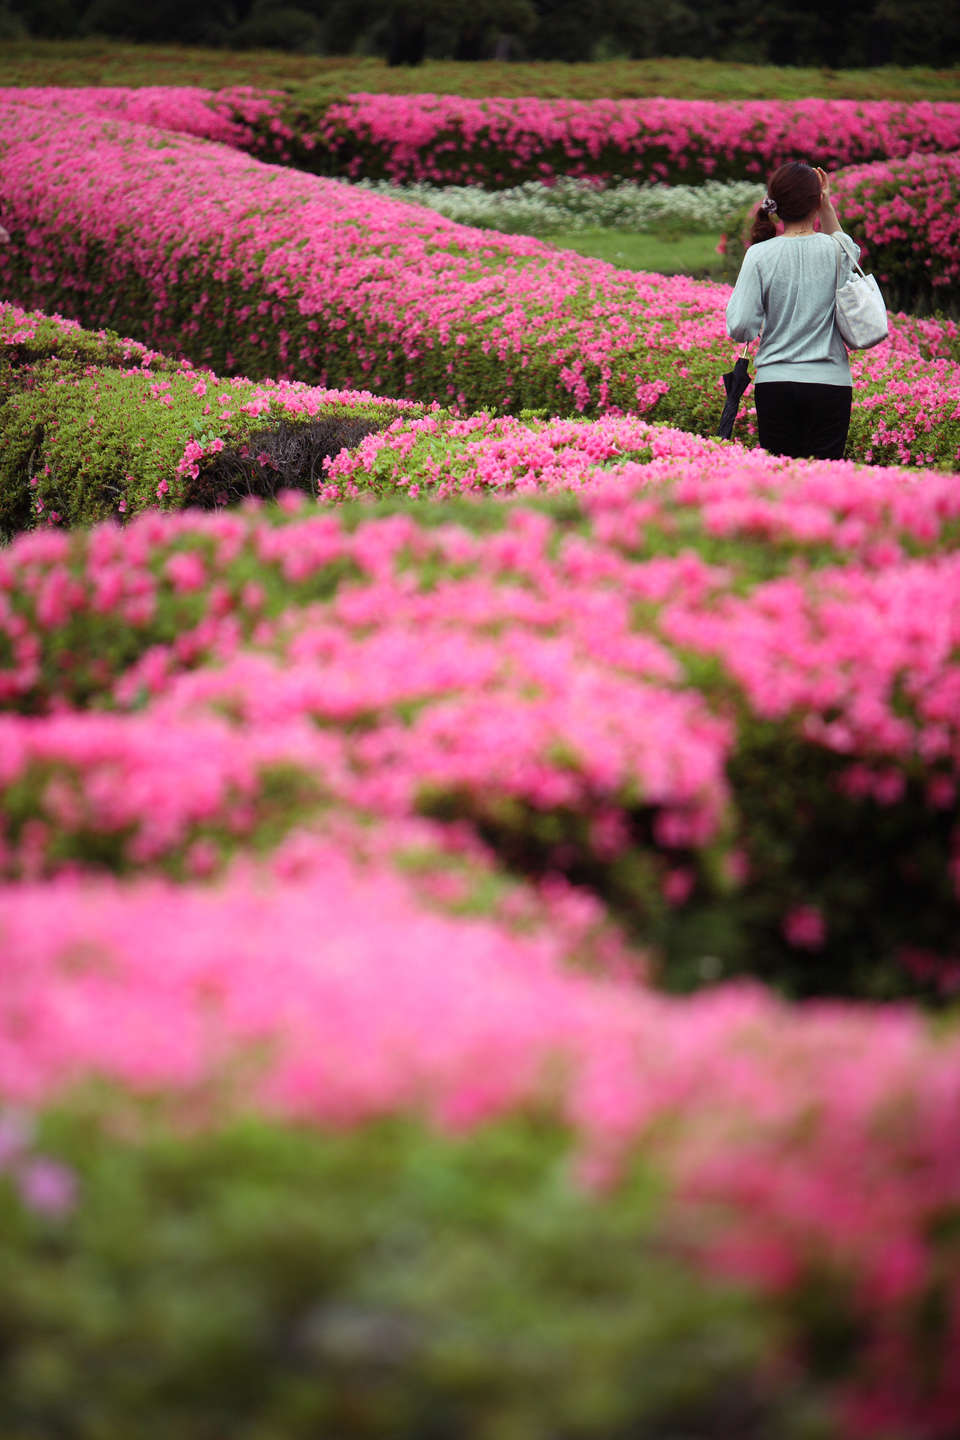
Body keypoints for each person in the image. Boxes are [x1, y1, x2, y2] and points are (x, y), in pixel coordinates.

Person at [725, 162, 860, 461]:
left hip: (776, 383)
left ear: (776, 205)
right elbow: (851, 252)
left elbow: (740, 326)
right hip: (831, 384)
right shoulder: (835, 251)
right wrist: (826, 206)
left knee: (783, 481)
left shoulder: (759, 254)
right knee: (826, 479)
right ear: (817, 202)